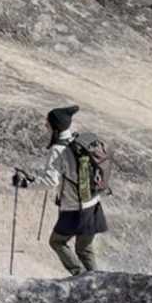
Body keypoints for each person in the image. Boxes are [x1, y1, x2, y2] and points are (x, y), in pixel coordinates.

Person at [39, 104, 105, 276]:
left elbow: (50, 182)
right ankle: (97, 280)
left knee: (57, 242)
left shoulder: (57, 150)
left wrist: (25, 182)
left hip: (74, 210)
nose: (46, 126)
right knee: (84, 249)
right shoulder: (79, 141)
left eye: (48, 123)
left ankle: (79, 276)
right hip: (93, 204)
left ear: (55, 127)